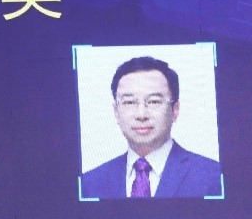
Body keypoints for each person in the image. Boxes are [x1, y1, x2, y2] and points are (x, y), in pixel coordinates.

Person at [81, 57, 223, 199]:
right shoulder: (89, 184)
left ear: (175, 110)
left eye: (154, 101)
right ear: (116, 112)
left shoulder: (213, 177)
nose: (141, 115)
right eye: (129, 102)